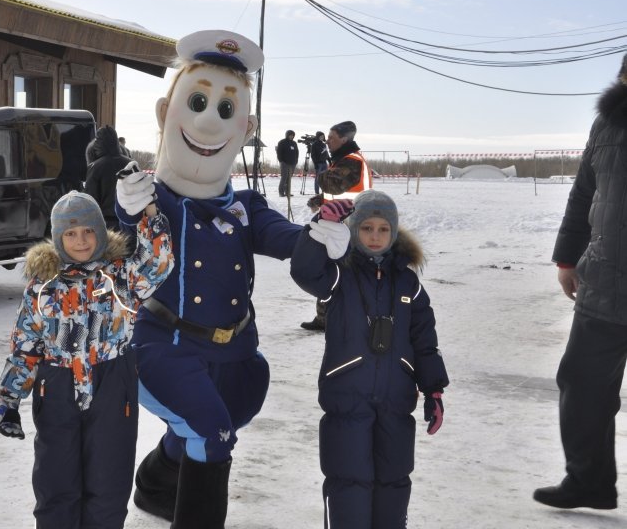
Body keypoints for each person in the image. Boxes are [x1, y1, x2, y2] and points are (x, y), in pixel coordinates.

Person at [116, 30, 304, 529]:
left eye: (225, 109)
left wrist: (323, 238)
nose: (206, 120)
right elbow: (127, 227)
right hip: (164, 344)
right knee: (211, 430)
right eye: (196, 101)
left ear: (247, 128)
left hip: (233, 348)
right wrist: (128, 209)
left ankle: (157, 485)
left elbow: (284, 236)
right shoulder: (153, 200)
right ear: (165, 113)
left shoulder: (244, 206)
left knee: (226, 413)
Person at [0, 188, 174, 529]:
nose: (81, 240)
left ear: (100, 233)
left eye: (89, 231)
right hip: (56, 387)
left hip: (113, 386)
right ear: (58, 237)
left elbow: (159, 263)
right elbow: (25, 344)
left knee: (108, 484)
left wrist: (150, 213)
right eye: (71, 233)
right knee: (55, 482)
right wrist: (9, 399)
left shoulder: (121, 277)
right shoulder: (42, 285)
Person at [290, 190, 449, 528]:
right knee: (348, 480)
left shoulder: (408, 282)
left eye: (383, 229)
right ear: (353, 230)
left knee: (394, 479)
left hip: (396, 400)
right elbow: (304, 271)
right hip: (347, 398)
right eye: (366, 229)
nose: (375, 237)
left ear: (393, 233)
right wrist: (320, 226)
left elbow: (424, 340)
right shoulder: (339, 275)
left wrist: (434, 390)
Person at [533, 53, 627, 511]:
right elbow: (584, 194)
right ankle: (588, 480)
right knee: (583, 384)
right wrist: (567, 257)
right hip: (606, 281)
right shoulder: (607, 126)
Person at [301, 120, 373, 331]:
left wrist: (320, 162)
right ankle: (324, 317)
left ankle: (340, 315)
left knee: (337, 271)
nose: (328, 141)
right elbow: (337, 192)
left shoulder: (351, 161)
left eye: (332, 138)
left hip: (350, 224)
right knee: (329, 269)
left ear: (345, 139)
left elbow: (331, 183)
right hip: (339, 221)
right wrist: (321, 200)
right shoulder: (343, 160)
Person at [85, 126, 132, 230]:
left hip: (105, 223)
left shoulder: (95, 167)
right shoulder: (130, 164)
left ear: (98, 143)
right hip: (130, 221)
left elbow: (90, 200)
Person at [276, 129, 300, 197]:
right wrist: (281, 160)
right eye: (290, 135)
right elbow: (279, 152)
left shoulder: (294, 143)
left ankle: (287, 192)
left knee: (289, 178)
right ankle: (281, 192)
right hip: (284, 163)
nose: (291, 136)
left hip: (292, 163)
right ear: (287, 135)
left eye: (293, 135)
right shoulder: (282, 142)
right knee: (284, 177)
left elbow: (297, 152)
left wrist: (296, 160)